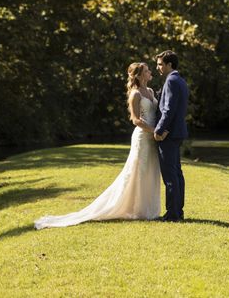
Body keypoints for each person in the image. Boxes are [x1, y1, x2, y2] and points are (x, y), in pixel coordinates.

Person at [34, 63, 161, 229]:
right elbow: (135, 120)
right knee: (139, 171)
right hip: (143, 137)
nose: (150, 72)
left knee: (151, 170)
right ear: (138, 75)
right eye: (146, 70)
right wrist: (154, 130)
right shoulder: (135, 94)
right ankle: (139, 210)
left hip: (153, 138)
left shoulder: (150, 92)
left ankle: (150, 209)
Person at [153, 50, 188, 222]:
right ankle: (178, 211)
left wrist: (159, 130)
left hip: (169, 134)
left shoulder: (172, 81)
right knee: (176, 173)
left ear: (169, 65)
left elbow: (169, 110)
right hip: (177, 132)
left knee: (170, 175)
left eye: (160, 64)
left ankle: (173, 214)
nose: (158, 67)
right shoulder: (180, 80)